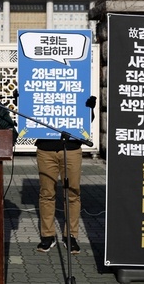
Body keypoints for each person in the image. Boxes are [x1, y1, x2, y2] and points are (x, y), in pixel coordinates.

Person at [36, 96, 95, 255]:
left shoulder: (75, 87)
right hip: (45, 148)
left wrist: (90, 108)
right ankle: (48, 235)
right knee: (47, 193)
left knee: (73, 193)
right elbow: (31, 111)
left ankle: (71, 235)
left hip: (72, 149)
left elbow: (86, 121)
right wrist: (22, 100)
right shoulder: (42, 87)